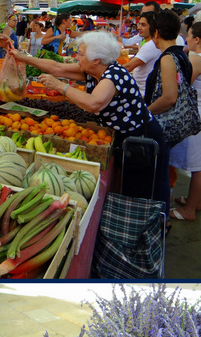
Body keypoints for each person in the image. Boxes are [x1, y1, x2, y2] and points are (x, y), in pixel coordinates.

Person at [12, 29, 171, 216]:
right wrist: (22, 57)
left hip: (142, 138)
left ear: (96, 59)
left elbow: (94, 103)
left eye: (80, 53)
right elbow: (57, 68)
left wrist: (60, 87)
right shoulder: (93, 72)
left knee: (145, 189)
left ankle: (156, 224)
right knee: (132, 189)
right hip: (125, 137)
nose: (76, 57)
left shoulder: (114, 75)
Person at [169, 20, 201, 222]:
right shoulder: (194, 57)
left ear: (196, 39)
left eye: (188, 35)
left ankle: (190, 209)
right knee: (197, 163)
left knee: (197, 166)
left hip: (195, 115)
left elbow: (183, 86)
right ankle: (194, 201)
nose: (186, 39)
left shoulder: (196, 59)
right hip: (196, 112)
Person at [123, 12, 161, 95]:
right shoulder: (147, 43)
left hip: (143, 93)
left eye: (143, 25)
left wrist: (107, 73)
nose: (139, 28)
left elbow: (129, 67)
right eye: (139, 24)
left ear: (152, 27)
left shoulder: (151, 45)